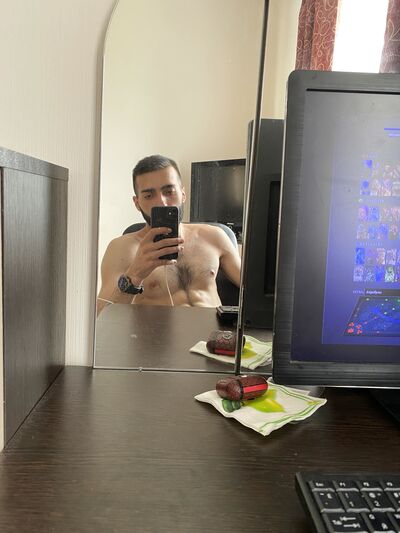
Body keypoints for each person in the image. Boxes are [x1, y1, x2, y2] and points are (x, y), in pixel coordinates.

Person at [97, 154, 241, 315]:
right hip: (155, 331)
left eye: (169, 191)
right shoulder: (121, 248)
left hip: (214, 330)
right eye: (149, 195)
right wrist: (135, 274)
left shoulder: (215, 236)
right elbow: (101, 317)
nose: (162, 202)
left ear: (183, 194)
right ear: (137, 203)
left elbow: (252, 291)